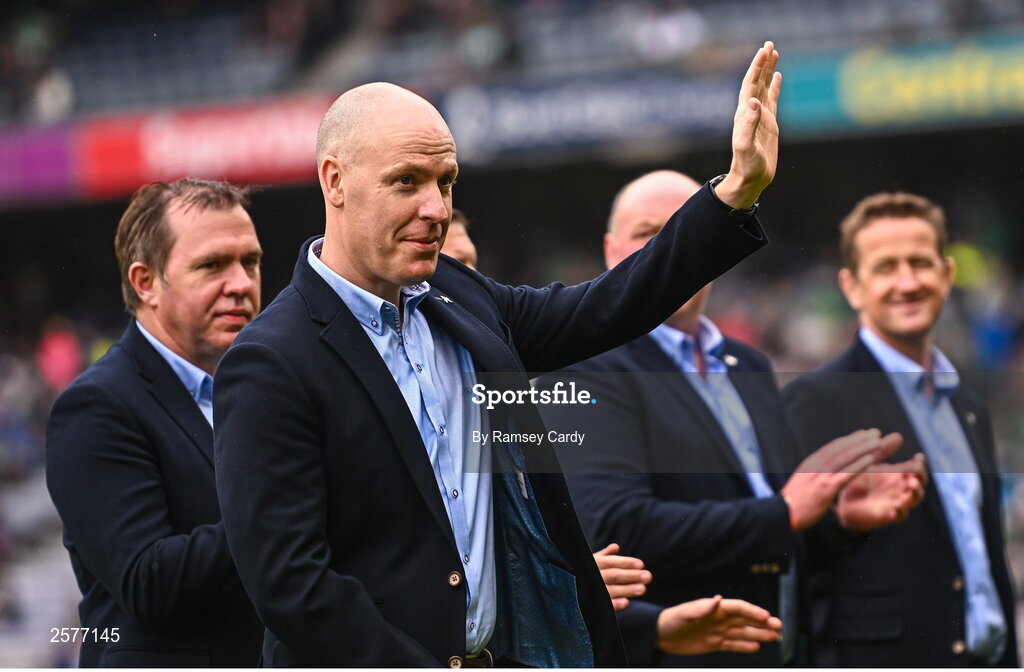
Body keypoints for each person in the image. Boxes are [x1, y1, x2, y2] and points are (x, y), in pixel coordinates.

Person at [213, 42, 782, 668]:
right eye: (407, 182)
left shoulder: (457, 294)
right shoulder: (270, 362)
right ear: (335, 180)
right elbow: (292, 587)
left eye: (446, 182)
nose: (435, 209)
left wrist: (733, 195)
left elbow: (605, 306)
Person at [537, 170, 927, 667]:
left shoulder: (750, 365)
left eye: (681, 230)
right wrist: (784, 511)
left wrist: (835, 522)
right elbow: (618, 528)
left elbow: (775, 534)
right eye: (646, 234)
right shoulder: (587, 367)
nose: (667, 250)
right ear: (611, 249)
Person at [441, 207, 787, 658]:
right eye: (449, 269)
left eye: (470, 269)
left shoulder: (751, 365)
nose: (463, 286)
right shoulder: (578, 374)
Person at [782, 192, 1019, 667]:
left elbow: (985, 560)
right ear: (851, 287)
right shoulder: (815, 398)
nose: (907, 282)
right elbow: (783, 551)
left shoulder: (969, 407)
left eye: (920, 262)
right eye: (886, 266)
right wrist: (842, 523)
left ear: (947, 274)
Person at [45, 179, 264, 667]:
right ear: (146, 282)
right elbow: (149, 581)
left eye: (249, 261)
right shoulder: (96, 408)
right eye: (212, 265)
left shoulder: (267, 390)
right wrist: (287, 513)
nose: (242, 284)